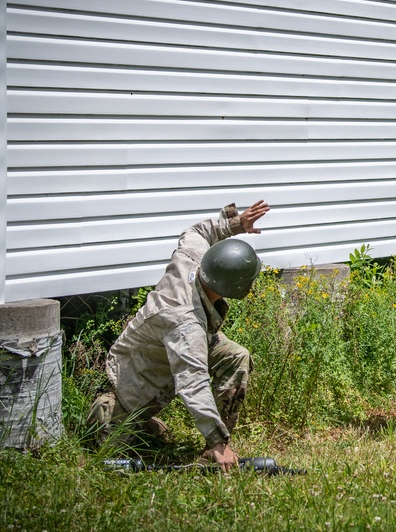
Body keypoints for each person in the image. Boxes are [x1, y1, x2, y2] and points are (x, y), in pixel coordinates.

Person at [86, 200, 270, 472]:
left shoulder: (193, 258)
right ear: (235, 288)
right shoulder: (185, 323)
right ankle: (140, 423)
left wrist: (234, 225)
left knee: (236, 356)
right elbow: (193, 383)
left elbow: (197, 232)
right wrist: (219, 442)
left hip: (168, 353)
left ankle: (211, 448)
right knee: (110, 448)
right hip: (137, 380)